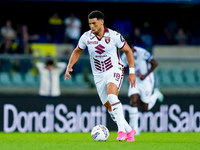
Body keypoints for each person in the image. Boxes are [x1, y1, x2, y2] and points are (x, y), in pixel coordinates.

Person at [64, 10, 136, 142]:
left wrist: (132, 72)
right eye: (90, 24)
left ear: (102, 22)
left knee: (112, 96)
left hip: (115, 69)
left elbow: (128, 51)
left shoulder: (114, 36)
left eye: (94, 23)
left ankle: (121, 132)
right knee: (109, 106)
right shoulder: (86, 37)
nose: (92, 26)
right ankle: (129, 130)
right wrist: (69, 66)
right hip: (98, 75)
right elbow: (77, 51)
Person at [121, 44, 164, 135]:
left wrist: (145, 75)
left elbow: (155, 63)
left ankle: (156, 94)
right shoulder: (124, 56)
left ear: (133, 48)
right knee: (133, 100)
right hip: (134, 81)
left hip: (146, 81)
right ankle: (135, 129)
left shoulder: (142, 52)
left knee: (145, 108)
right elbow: (123, 68)